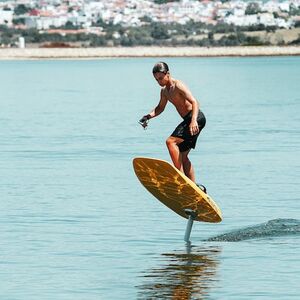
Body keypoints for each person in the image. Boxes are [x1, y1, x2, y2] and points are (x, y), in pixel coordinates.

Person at [139, 62, 206, 185]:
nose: (159, 82)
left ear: (168, 74)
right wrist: (147, 116)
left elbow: (195, 102)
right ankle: (193, 187)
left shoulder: (178, 85)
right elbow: (160, 108)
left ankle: (180, 178)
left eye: (160, 78)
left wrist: (193, 120)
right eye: (156, 80)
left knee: (170, 141)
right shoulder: (165, 92)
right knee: (183, 156)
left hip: (195, 118)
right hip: (188, 120)